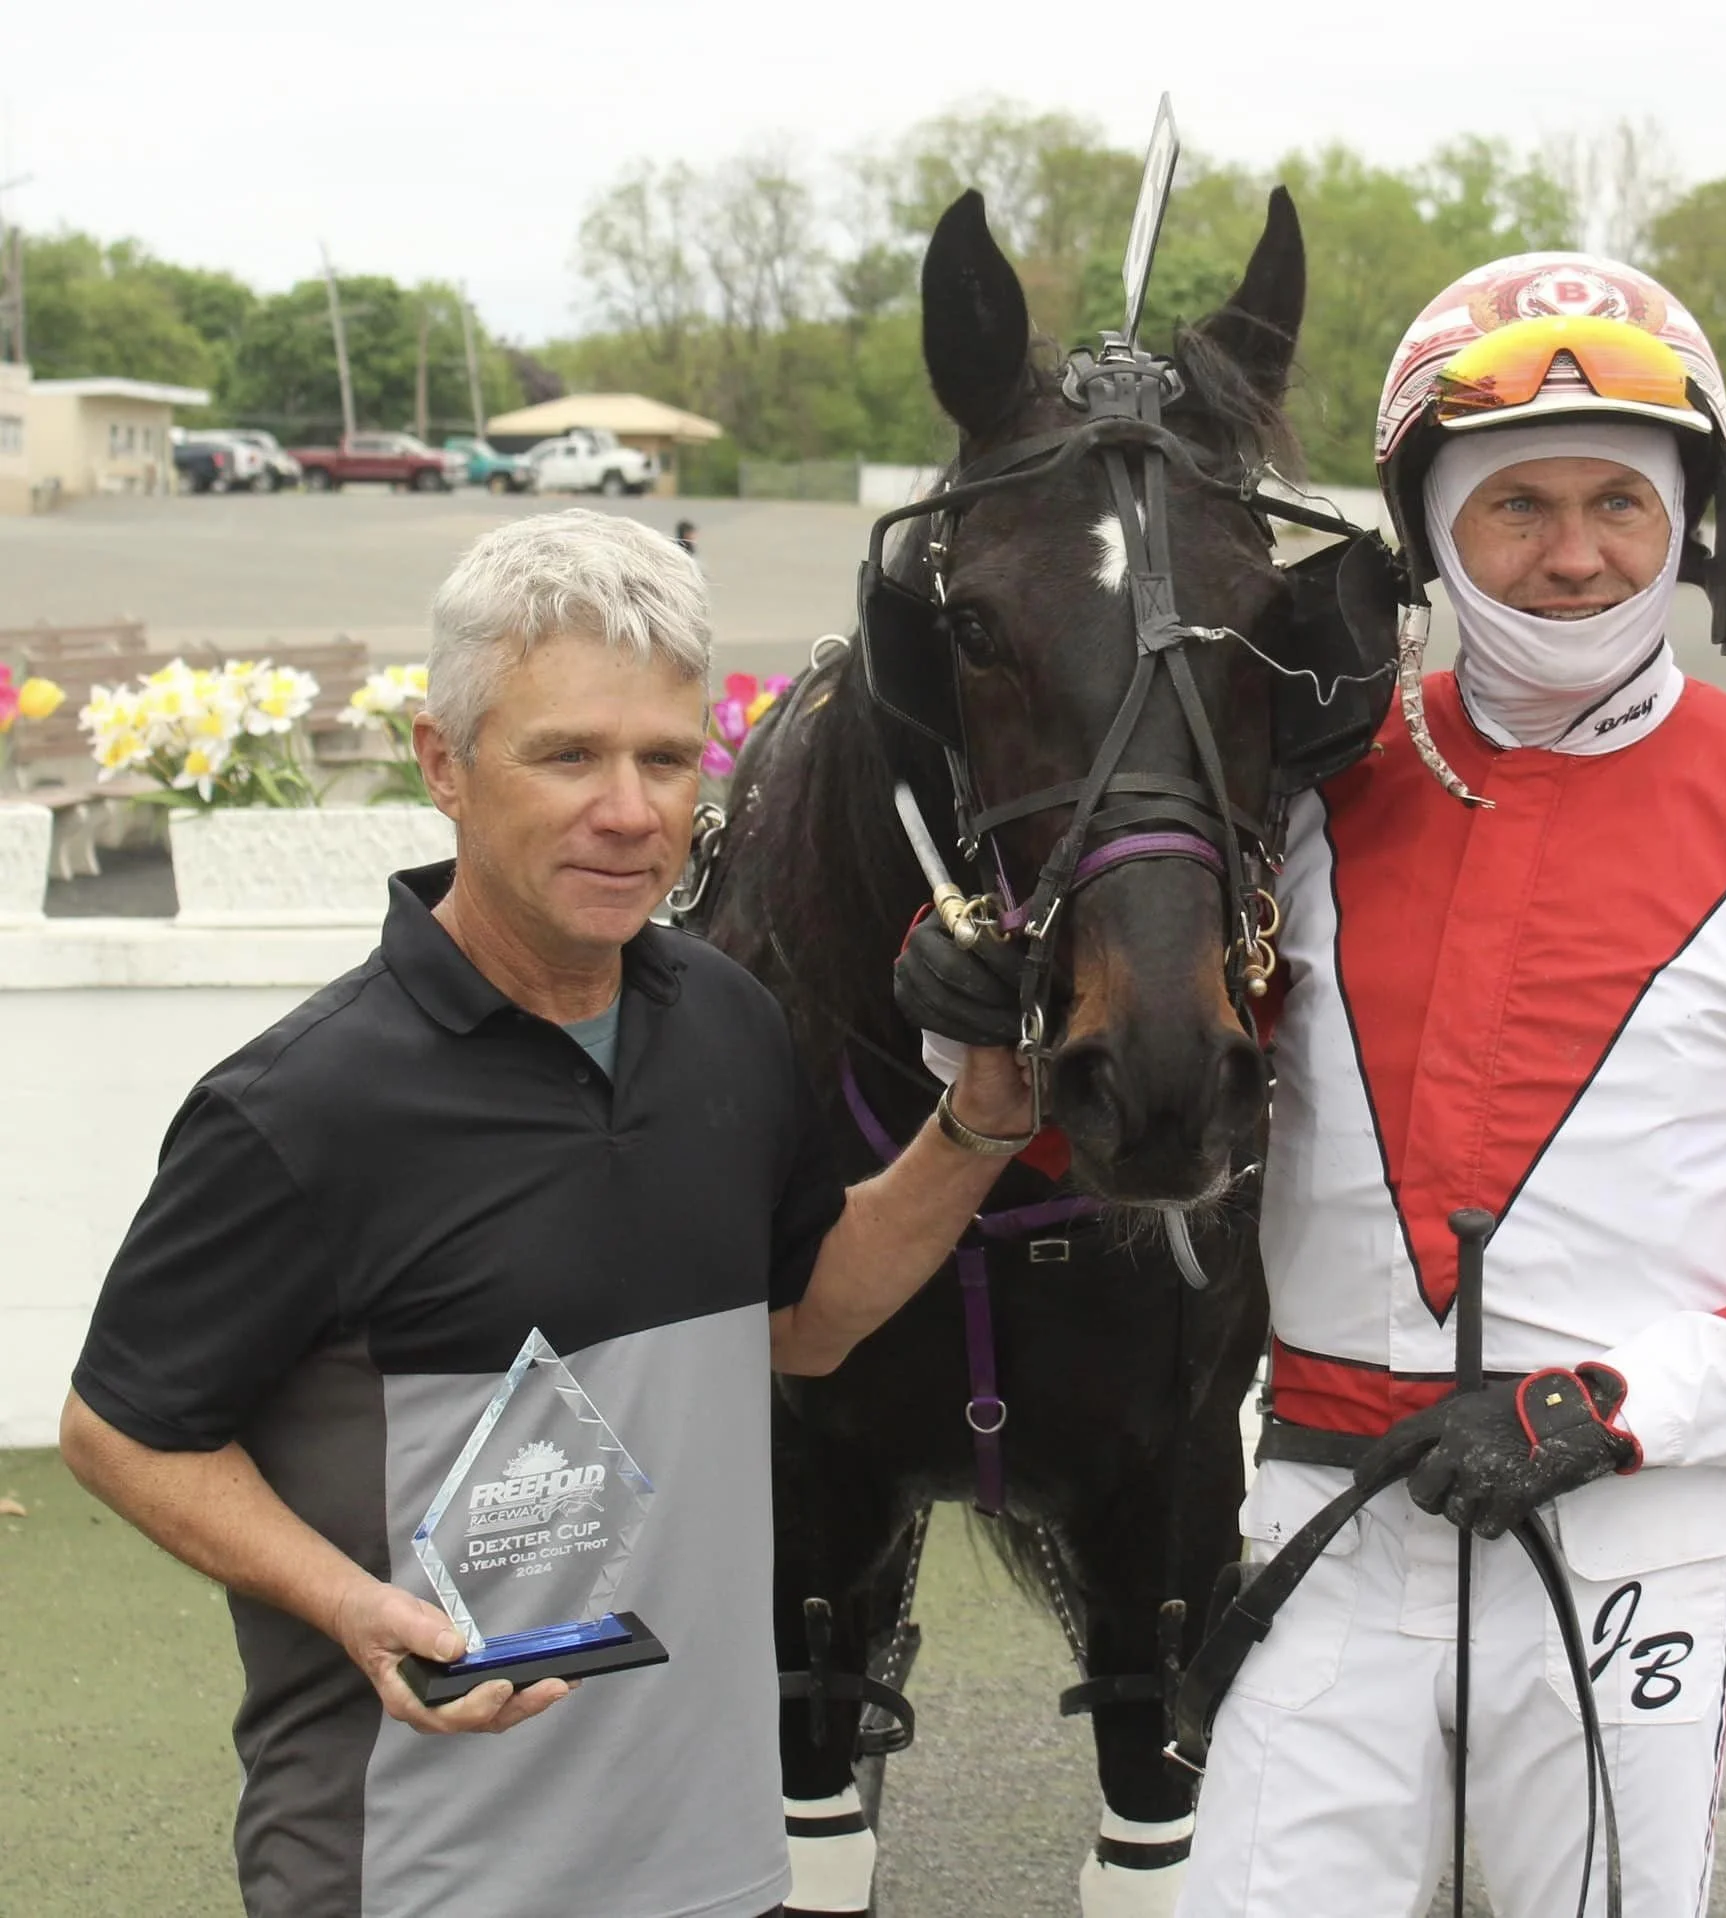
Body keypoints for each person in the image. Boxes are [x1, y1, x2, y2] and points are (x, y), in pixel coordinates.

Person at [59, 509, 1037, 1918]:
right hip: (415, 1871)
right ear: (443, 765)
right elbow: (121, 1430)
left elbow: (805, 1321)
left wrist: (981, 1122)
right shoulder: (301, 1106)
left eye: (664, 758)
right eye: (568, 754)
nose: (630, 811)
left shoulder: (731, 1025)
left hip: (713, 1859)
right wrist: (346, 1603)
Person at [1169, 255, 1726, 1913]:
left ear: (1692, 524)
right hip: (1327, 1525)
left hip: (1625, 1542)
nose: (1577, 552)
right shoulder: (1295, 799)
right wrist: (974, 1016)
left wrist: (1610, 1407)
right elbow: (1148, 1122)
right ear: (1425, 530)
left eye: (1620, 500)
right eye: (1516, 505)